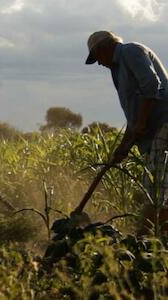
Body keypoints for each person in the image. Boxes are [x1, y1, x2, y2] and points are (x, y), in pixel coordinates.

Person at [85, 30, 168, 234]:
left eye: (97, 58)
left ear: (104, 48)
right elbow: (134, 117)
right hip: (153, 130)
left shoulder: (131, 51)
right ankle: (155, 239)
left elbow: (151, 84)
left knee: (156, 191)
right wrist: (123, 148)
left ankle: (144, 240)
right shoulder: (118, 70)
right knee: (157, 189)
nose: (99, 64)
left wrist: (140, 121)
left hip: (163, 123)